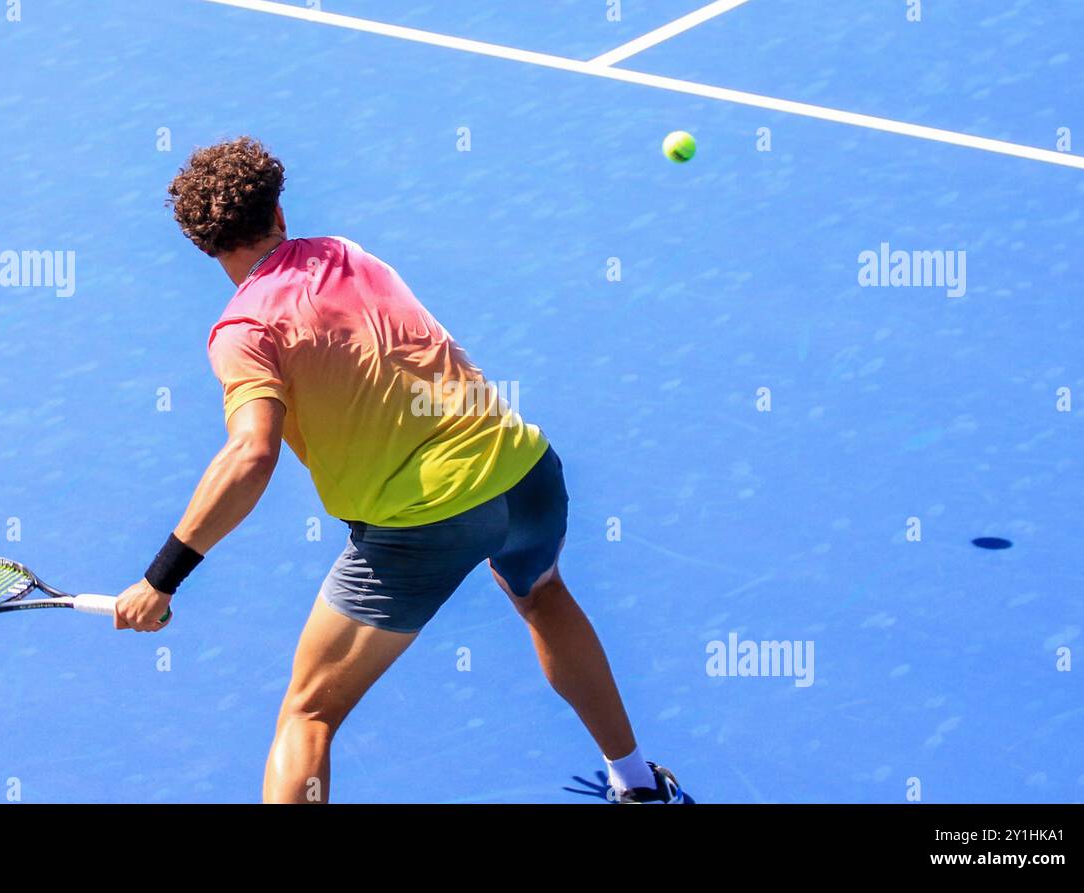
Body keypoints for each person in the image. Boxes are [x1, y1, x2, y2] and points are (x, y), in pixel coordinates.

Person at [114, 137, 688, 805]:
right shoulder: (344, 253)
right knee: (543, 595)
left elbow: (251, 453)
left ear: (205, 246)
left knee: (308, 714)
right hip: (523, 469)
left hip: (422, 526)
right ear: (279, 210)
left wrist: (162, 578)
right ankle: (639, 783)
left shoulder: (244, 331)